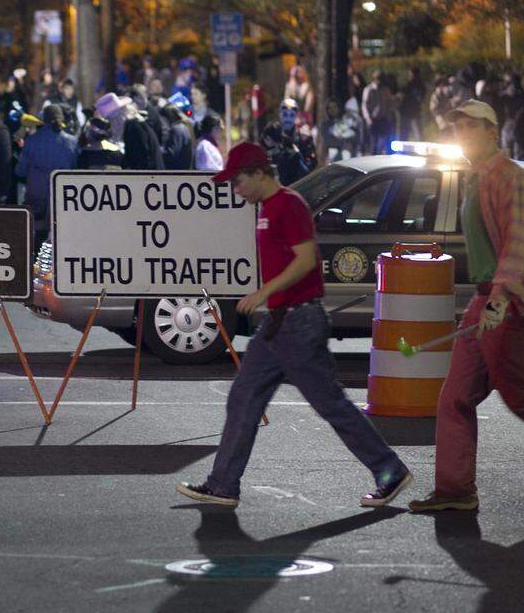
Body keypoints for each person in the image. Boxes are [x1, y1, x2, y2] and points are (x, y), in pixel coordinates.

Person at [176, 142, 413, 508]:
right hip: (280, 321)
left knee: (329, 404)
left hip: (298, 321)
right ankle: (222, 484)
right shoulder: (267, 207)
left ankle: (390, 470)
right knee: (244, 397)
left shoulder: (289, 205)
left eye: (237, 181)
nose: (234, 188)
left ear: (258, 173)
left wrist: (263, 292)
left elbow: (306, 261)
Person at [409, 101, 524, 512]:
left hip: (508, 304)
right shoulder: (475, 178)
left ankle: (455, 489)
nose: (462, 133)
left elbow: (519, 243)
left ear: (491, 130)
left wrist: (500, 298)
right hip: (484, 300)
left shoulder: (511, 178)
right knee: (455, 397)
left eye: (470, 126)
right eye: (457, 127)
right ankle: (454, 489)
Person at [17, 103, 78, 250]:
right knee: (59, 238)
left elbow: (20, 171)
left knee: (38, 237)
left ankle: (37, 270)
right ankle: (53, 270)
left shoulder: (32, 140)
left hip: (36, 196)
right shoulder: (72, 142)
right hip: (62, 200)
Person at [399, 66, 426, 141]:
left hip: (413, 112)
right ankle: (403, 151)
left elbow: (420, 98)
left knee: (418, 134)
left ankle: (420, 151)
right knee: (405, 134)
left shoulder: (418, 86)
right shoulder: (409, 85)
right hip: (407, 112)